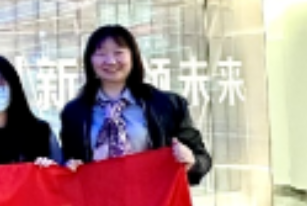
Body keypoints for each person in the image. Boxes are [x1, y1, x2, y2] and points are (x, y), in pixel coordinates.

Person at [60, 25, 212, 183]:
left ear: (133, 56)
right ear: (90, 60)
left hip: (153, 196)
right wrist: (69, 167)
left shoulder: (168, 106)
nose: (110, 61)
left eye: (118, 52)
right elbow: (69, 162)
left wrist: (191, 161)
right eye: (101, 54)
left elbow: (203, 159)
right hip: (97, 197)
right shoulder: (74, 113)